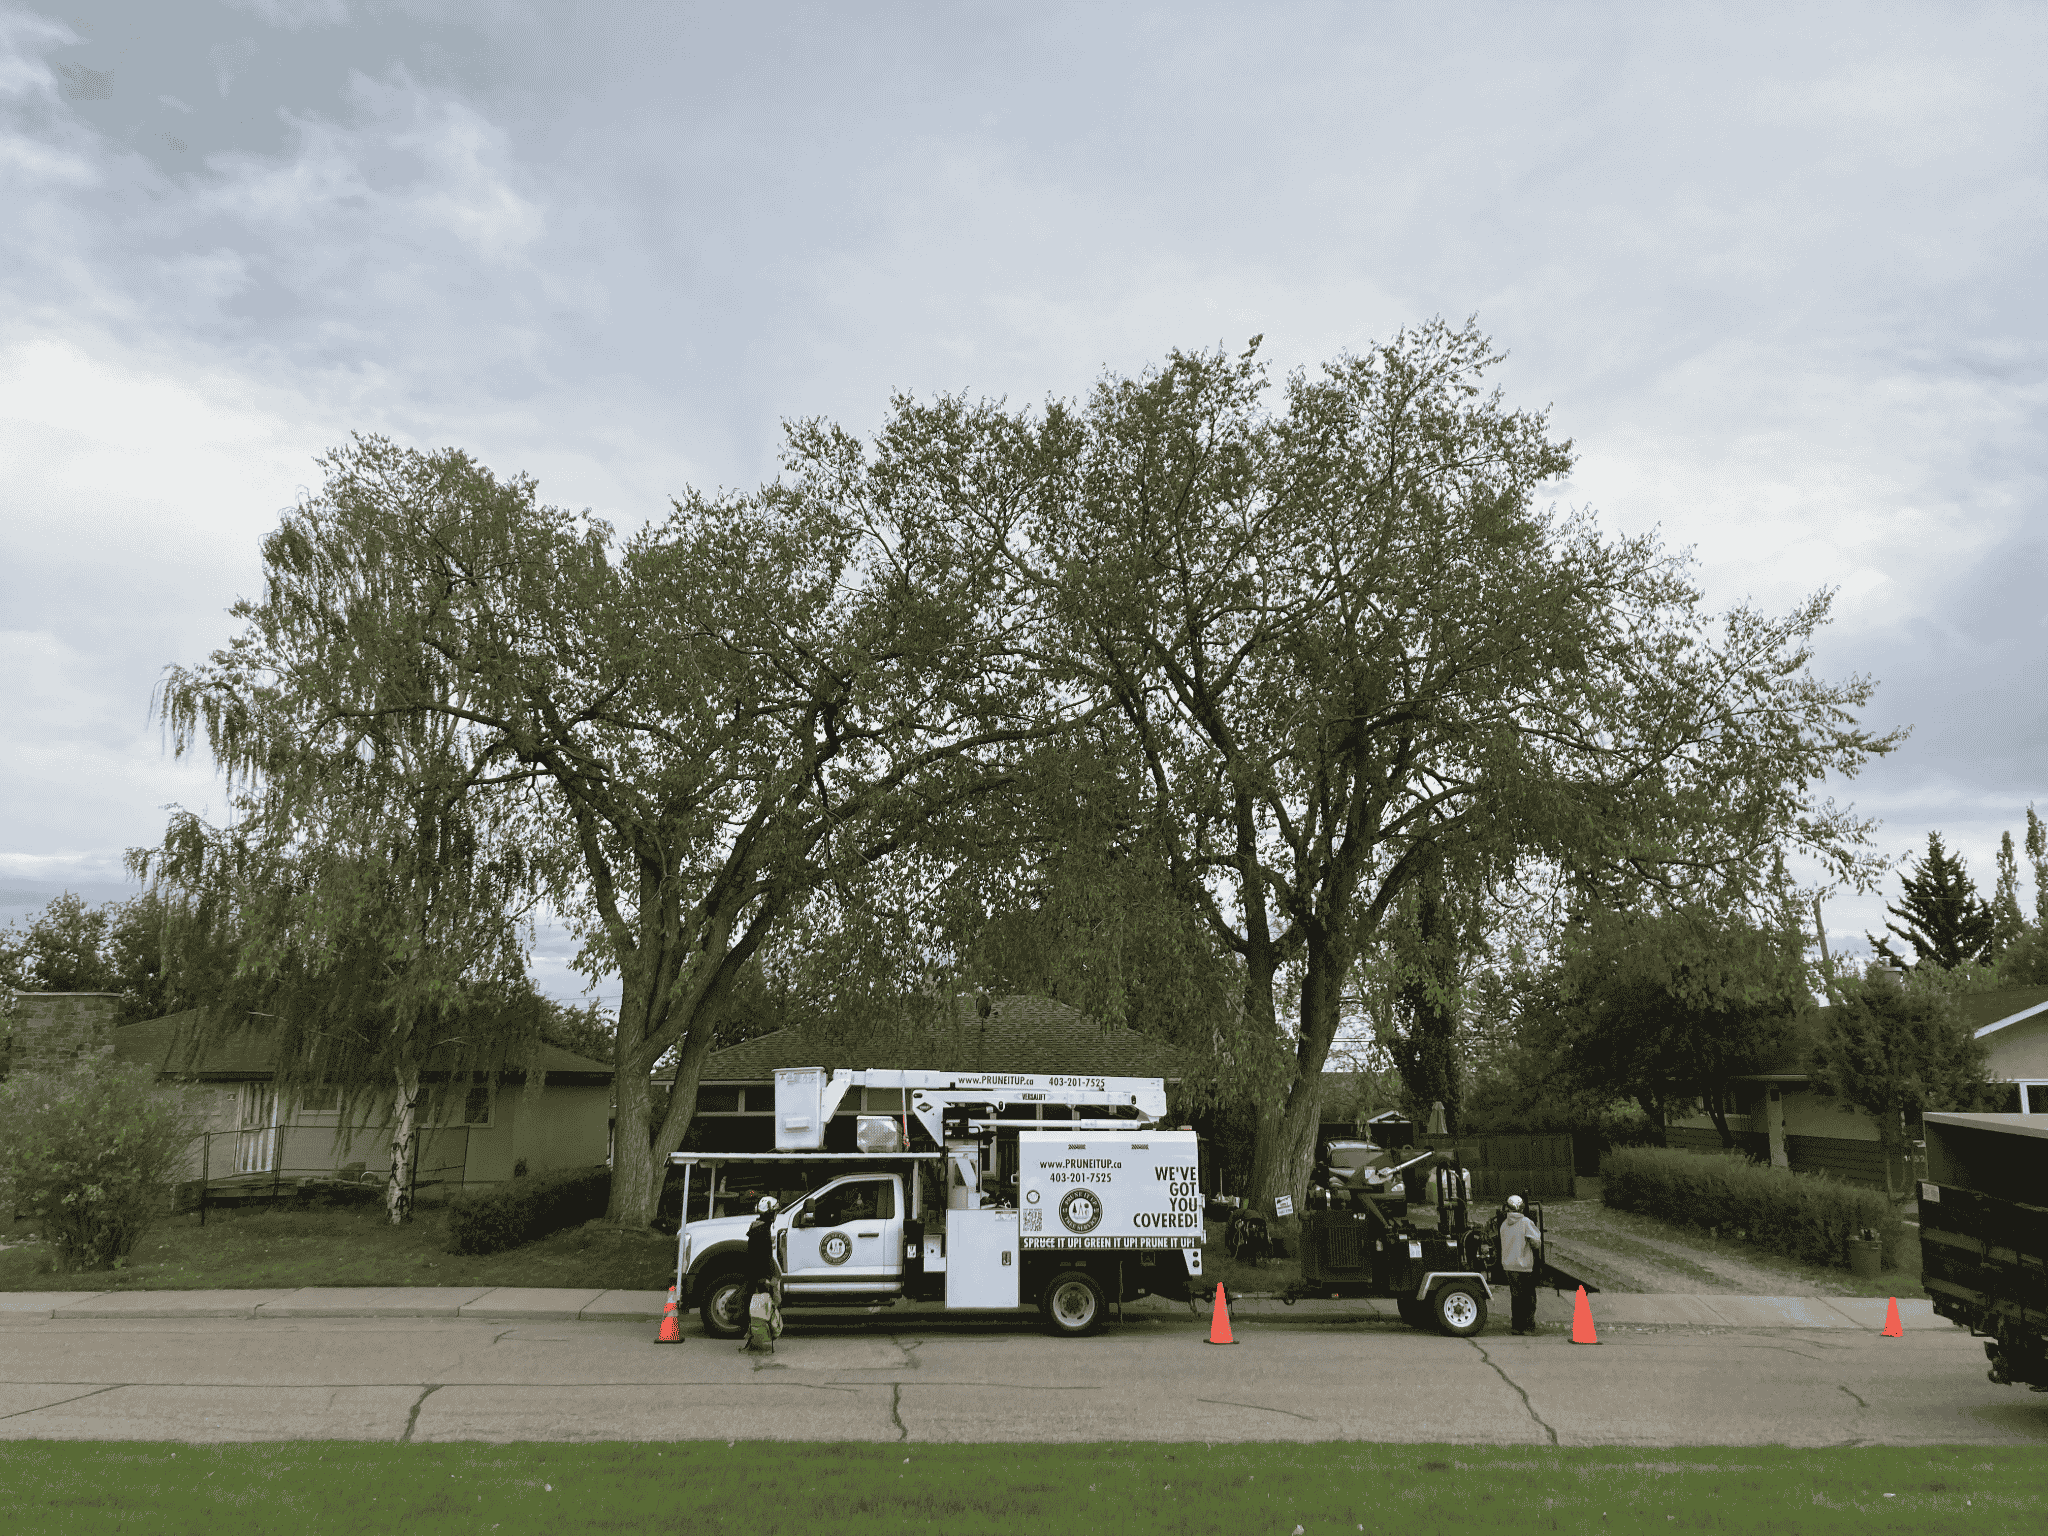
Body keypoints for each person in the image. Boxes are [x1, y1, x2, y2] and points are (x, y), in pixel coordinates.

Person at [740, 1195, 782, 1352]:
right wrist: (764, 1279)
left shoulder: (757, 1228)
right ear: (770, 1213)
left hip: (757, 1276)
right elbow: (761, 1258)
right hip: (760, 1277)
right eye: (775, 1212)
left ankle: (756, 1339)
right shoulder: (761, 1231)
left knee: (758, 1308)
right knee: (762, 1310)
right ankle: (759, 1339)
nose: (776, 1215)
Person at [1497, 1194, 1542, 1336]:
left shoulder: (1504, 1224)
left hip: (1508, 1265)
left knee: (1516, 1297)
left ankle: (1516, 1327)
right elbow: (1536, 1243)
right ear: (1522, 1208)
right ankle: (1528, 1327)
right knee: (1528, 1298)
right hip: (1523, 1266)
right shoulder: (1526, 1222)